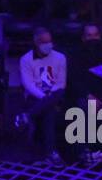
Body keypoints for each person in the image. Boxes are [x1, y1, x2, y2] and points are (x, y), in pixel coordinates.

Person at [18, 28, 68, 163]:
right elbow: (27, 84)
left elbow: (61, 82)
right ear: (36, 42)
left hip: (56, 93)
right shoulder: (26, 59)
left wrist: (50, 95)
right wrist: (45, 98)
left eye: (50, 41)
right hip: (35, 96)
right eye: (44, 42)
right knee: (49, 110)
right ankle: (51, 152)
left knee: (58, 95)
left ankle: (27, 116)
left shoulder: (60, 57)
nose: (48, 45)